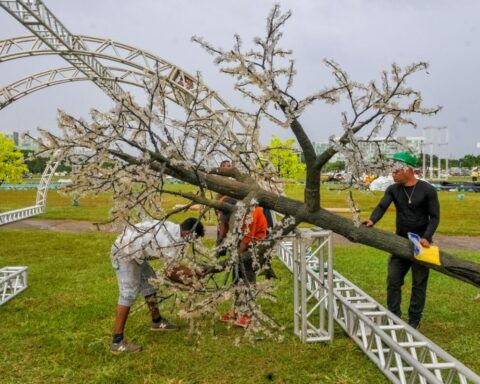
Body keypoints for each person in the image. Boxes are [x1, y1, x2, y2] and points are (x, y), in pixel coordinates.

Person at [362, 151, 440, 329]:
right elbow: (382, 206)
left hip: (422, 245)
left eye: (396, 170)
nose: (392, 173)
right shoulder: (393, 189)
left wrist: (426, 237)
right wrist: (372, 220)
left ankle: (414, 321)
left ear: (408, 170)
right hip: (400, 243)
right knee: (393, 280)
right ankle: (394, 316)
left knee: (419, 284)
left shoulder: (428, 190)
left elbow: (434, 217)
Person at [110, 217, 205, 354]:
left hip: (136, 252)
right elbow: (170, 272)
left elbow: (174, 265)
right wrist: (192, 282)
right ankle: (117, 341)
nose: (190, 242)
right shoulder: (170, 240)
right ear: (187, 233)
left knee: (150, 282)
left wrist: (193, 273)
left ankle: (157, 321)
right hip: (124, 252)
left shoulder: (173, 229)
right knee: (128, 293)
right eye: (192, 238)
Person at [219, 202, 268, 327]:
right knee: (236, 278)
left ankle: (248, 314)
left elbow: (247, 240)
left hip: (254, 245)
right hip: (239, 242)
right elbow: (224, 228)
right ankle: (237, 311)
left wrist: (236, 257)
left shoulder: (250, 212)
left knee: (247, 277)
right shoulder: (225, 203)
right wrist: (220, 245)